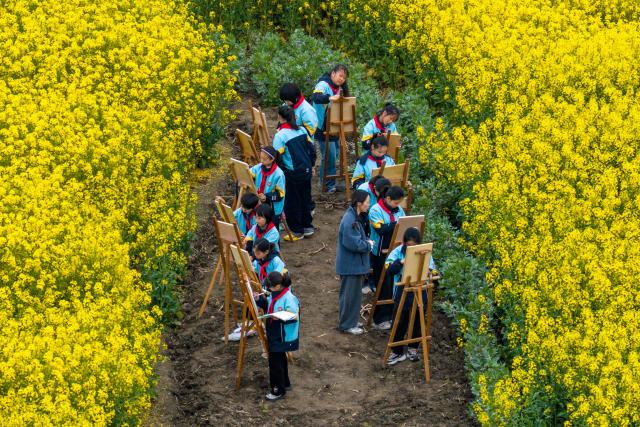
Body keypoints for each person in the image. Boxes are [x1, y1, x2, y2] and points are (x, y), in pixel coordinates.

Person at [385, 227, 437, 365]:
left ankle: (413, 348)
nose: (411, 248)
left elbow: (432, 268)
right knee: (399, 321)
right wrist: (401, 262)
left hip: (420, 288)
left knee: (418, 321)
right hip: (403, 290)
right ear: (404, 243)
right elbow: (389, 269)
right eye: (408, 245)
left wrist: (430, 272)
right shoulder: (397, 252)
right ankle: (397, 351)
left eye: (414, 246)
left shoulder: (425, 252)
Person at [254, 271, 300, 401]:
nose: (268, 289)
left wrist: (279, 317)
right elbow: (268, 304)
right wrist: (258, 300)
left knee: (275, 363)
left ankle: (278, 390)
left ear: (279, 285)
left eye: (271, 286)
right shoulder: (274, 294)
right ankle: (285, 383)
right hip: (274, 333)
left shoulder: (288, 298)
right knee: (280, 360)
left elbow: (293, 316)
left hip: (282, 335)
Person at [273, 105, 315, 241]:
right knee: (306, 198)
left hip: (292, 173)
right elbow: (312, 150)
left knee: (292, 201)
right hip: (307, 170)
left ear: (280, 117)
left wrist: (280, 174)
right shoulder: (302, 130)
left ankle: (297, 230)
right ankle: (308, 227)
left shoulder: (280, 136)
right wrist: (312, 165)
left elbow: (276, 158)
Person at [336, 189, 374, 335]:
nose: (368, 205)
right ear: (359, 203)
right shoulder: (349, 220)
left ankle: (350, 321)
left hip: (355, 265)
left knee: (355, 295)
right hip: (350, 266)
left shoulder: (356, 216)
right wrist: (368, 245)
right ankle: (346, 325)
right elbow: (353, 243)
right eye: (367, 202)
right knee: (349, 297)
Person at [368, 186, 406, 326]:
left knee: (393, 285)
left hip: (396, 252)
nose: (398, 206)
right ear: (388, 199)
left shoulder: (399, 210)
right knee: (383, 285)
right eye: (396, 203)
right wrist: (397, 224)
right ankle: (380, 319)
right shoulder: (375, 210)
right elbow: (381, 230)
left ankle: (391, 315)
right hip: (380, 253)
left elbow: (404, 225)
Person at [312, 64, 349, 193]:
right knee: (329, 156)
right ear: (333, 73)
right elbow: (315, 98)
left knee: (335, 154)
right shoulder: (323, 84)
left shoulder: (339, 88)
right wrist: (329, 98)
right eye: (340, 75)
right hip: (323, 126)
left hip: (334, 126)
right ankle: (326, 185)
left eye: (344, 78)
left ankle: (328, 182)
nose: (341, 79)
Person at [250, 146, 285, 228]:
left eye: (264, 159)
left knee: (271, 228)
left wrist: (266, 197)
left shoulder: (279, 174)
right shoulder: (258, 167)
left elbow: (280, 195)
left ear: (272, 159)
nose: (261, 161)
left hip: (273, 207)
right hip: (260, 203)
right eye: (260, 158)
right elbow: (249, 173)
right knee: (260, 226)